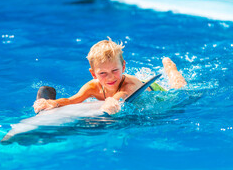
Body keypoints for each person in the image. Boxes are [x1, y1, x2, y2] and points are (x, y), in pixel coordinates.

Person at [33, 38, 187, 115]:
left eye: (115, 70)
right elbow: (72, 100)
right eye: (102, 73)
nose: (110, 78)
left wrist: (112, 101)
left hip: (150, 88)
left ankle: (171, 68)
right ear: (93, 74)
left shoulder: (129, 84)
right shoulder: (92, 86)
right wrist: (51, 104)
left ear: (124, 67)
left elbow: (122, 95)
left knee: (178, 89)